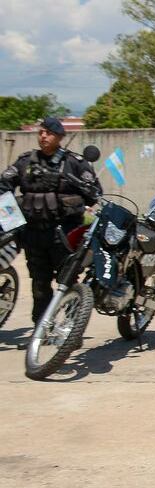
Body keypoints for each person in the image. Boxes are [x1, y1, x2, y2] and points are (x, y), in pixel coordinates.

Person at [0, 117, 101, 331]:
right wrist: (11, 219)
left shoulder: (75, 163)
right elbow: (3, 186)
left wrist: (79, 193)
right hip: (33, 234)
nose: (43, 136)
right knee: (39, 284)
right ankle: (41, 328)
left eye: (49, 133)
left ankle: (72, 329)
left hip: (65, 234)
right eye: (41, 132)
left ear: (60, 137)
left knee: (69, 282)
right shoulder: (25, 161)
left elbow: (95, 193)